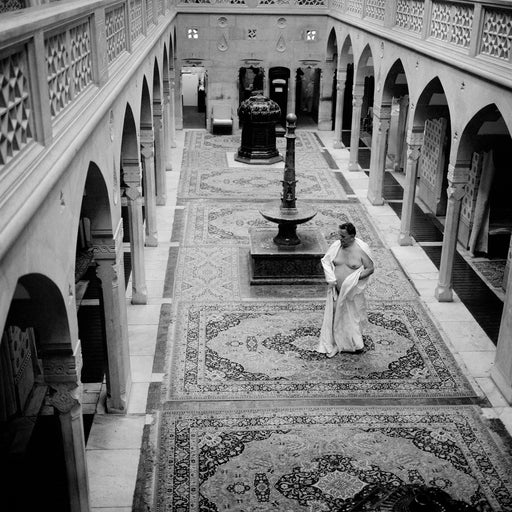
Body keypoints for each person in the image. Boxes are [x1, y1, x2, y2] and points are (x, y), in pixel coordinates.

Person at [316, 222, 374, 357]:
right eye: (339, 235)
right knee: (335, 316)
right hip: (336, 290)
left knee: (352, 318)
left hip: (351, 292)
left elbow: (370, 268)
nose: (340, 239)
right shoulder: (336, 246)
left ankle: (353, 344)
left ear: (352, 237)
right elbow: (326, 261)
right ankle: (336, 342)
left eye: (343, 236)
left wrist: (354, 280)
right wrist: (331, 278)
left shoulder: (361, 250)